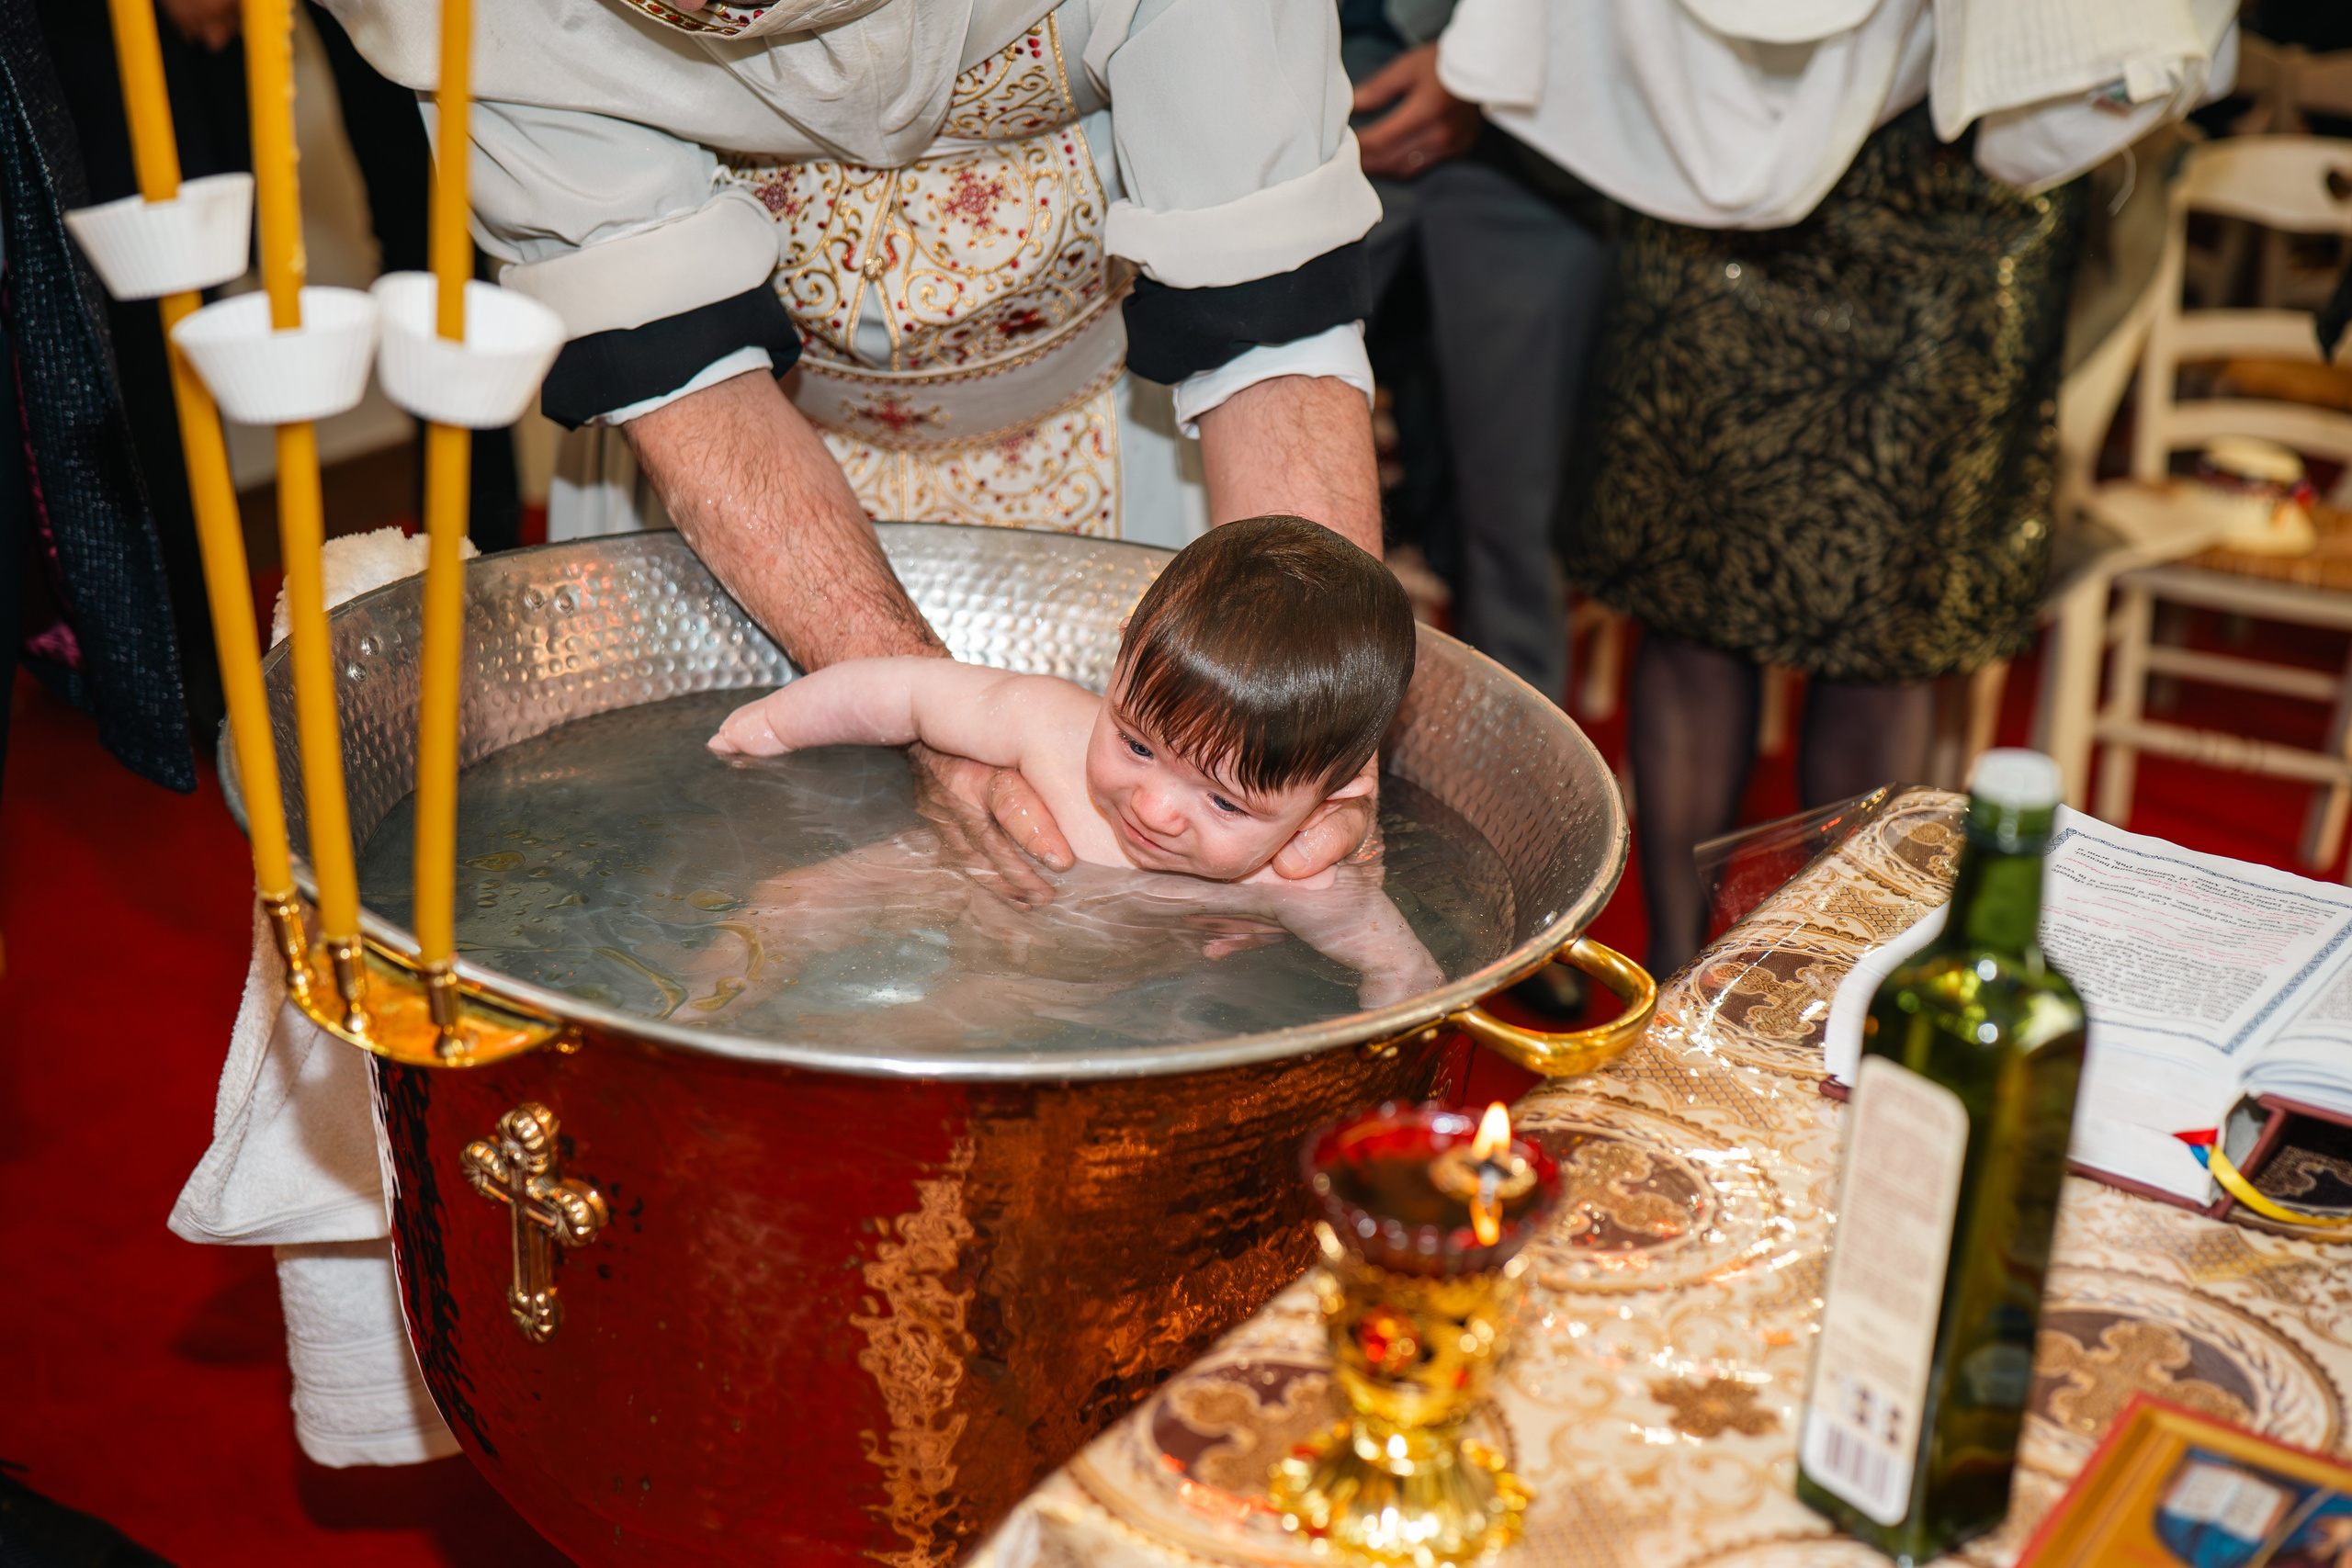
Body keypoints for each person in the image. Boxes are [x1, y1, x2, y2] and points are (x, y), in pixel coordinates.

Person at [321, 0, 1390, 891]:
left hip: (1108, 423)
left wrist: (1310, 730)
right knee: (712, 872)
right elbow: (669, 354)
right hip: (721, 474)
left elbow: (1267, 305)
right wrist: (842, 730)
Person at [1446, 0, 2237, 975]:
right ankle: (1681, 980)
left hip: (1964, 180)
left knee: (1886, 630)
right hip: (1719, 130)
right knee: (1693, 598)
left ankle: (1824, 991)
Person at [704, 515, 1442, 1016]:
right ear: (1121, 656)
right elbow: (906, 692)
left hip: (1068, 976)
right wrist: (770, 724)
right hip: (945, 870)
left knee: (951, 1018)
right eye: (1138, 745)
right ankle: (693, 1022)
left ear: (1334, 800)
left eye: (1224, 804)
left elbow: (1407, 978)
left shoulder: (1296, 875)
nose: (1153, 807)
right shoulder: (1046, 726)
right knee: (785, 902)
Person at [1342, 0, 1610, 706]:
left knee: (1521, 522)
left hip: (1543, 113)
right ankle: (1251, 739)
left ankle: (1520, 788)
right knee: (1249, 443)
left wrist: (1481, 55)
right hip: (1305, 73)